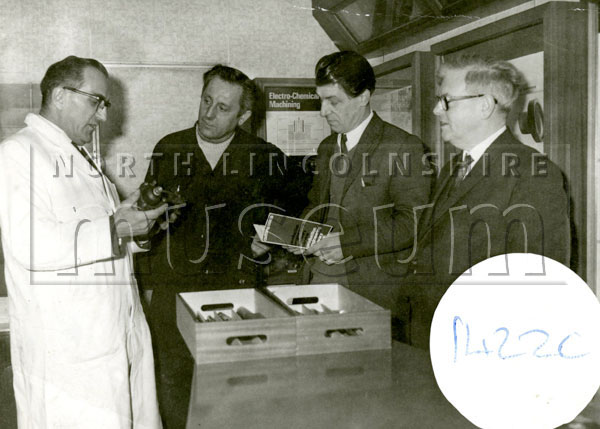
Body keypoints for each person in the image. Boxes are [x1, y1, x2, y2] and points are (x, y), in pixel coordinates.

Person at [0, 56, 166, 428]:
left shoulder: (81, 159)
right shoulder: (18, 153)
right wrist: (115, 228)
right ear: (60, 95)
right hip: (71, 360)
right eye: (97, 101)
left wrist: (135, 223)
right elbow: (32, 246)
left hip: (113, 340)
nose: (103, 116)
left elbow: (104, 237)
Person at [138, 64, 301, 428]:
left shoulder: (267, 157)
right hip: (174, 298)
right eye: (206, 100)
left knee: (235, 397)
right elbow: (147, 222)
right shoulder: (169, 147)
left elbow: (288, 222)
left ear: (243, 115)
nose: (208, 114)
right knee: (175, 394)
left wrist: (270, 246)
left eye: (223, 108)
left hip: (236, 296)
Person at [398, 54, 571, 349]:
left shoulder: (533, 174)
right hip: (425, 334)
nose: (436, 110)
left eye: (446, 100)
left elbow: (538, 288)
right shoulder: (454, 167)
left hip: (476, 346)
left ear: (485, 105)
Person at [287, 51, 433, 312]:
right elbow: (318, 204)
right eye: (321, 101)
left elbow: (412, 222)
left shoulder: (403, 147)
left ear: (363, 97)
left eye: (333, 101)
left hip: (371, 292)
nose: (323, 112)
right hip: (316, 282)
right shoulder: (326, 147)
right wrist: (298, 232)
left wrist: (348, 243)